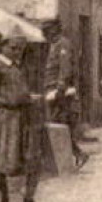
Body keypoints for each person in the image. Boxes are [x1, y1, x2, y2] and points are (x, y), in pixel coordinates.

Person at [0, 28, 55, 202]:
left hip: (25, 119)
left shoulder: (17, 67)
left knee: (33, 162)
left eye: (21, 49)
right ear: (3, 46)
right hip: (7, 120)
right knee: (5, 165)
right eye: (13, 48)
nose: (17, 52)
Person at [41, 19, 89, 170]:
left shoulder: (63, 44)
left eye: (47, 31)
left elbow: (65, 69)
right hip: (53, 91)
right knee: (58, 126)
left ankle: (75, 155)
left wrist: (59, 90)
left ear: (55, 30)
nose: (45, 34)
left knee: (59, 125)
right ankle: (74, 156)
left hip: (59, 94)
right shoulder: (54, 45)